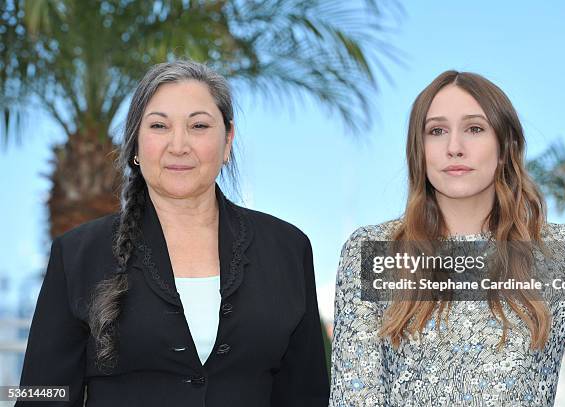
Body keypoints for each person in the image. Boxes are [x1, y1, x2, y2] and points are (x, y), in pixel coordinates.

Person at [17, 59, 330, 406]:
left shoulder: (287, 248)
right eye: (159, 126)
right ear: (135, 144)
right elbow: (40, 396)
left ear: (227, 141)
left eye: (198, 126)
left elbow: (307, 394)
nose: (178, 145)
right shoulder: (76, 254)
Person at [329, 70, 565, 406]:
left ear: (505, 147)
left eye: (474, 129)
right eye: (436, 131)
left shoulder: (561, 256)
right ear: (419, 150)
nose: (454, 148)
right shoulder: (373, 252)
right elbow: (354, 396)